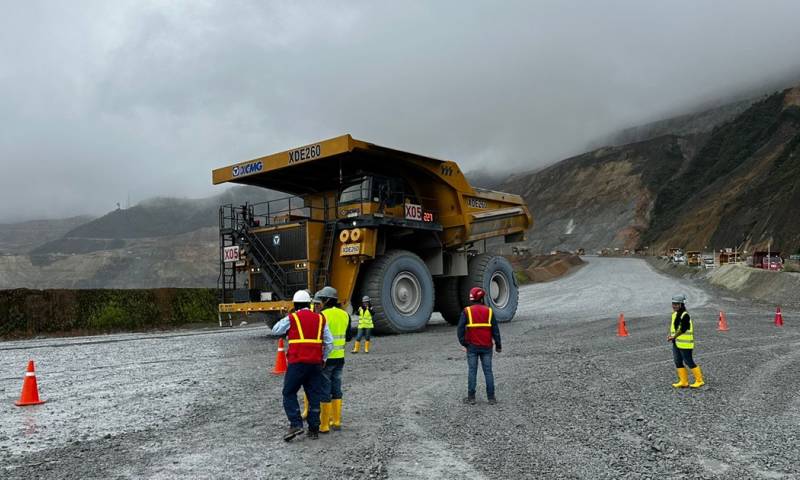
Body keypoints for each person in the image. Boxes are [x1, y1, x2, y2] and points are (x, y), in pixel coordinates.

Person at [271, 290, 333, 441]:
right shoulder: (320, 319)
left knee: (289, 392)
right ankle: (313, 429)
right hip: (315, 364)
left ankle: (296, 424)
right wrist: (323, 358)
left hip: (297, 363)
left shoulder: (292, 318)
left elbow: (275, 330)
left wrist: (289, 317)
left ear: (295, 304)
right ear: (309, 303)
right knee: (313, 395)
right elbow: (329, 343)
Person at [314, 287, 354, 433]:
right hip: (340, 358)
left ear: (327, 300)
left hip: (326, 359)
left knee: (325, 389)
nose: (320, 303)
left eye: (322, 300)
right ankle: (336, 421)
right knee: (336, 389)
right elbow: (349, 337)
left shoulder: (322, 315)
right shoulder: (345, 315)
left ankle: (324, 425)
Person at [457, 287, 502, 405]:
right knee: (488, 371)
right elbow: (495, 330)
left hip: (472, 347)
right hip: (487, 347)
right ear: (482, 298)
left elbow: (460, 330)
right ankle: (491, 398)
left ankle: (471, 398)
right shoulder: (489, 311)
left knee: (472, 371)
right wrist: (498, 345)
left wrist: (464, 343)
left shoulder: (467, 311)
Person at [668, 294, 704, 388]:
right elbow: (676, 328)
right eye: (673, 303)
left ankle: (699, 380)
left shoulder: (685, 315)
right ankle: (683, 381)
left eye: (676, 304)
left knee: (688, 361)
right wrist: (672, 336)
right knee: (677, 361)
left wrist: (674, 336)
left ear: (682, 305)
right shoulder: (674, 315)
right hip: (676, 342)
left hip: (685, 343)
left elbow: (683, 329)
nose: (674, 305)